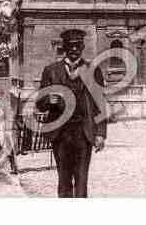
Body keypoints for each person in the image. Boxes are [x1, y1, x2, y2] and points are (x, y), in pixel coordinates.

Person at [37, 29, 107, 198]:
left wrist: (100, 133)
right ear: (65, 47)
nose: (74, 49)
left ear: (82, 47)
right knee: (64, 180)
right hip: (61, 134)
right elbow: (39, 102)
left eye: (77, 46)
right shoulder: (51, 70)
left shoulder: (92, 70)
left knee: (82, 180)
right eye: (71, 46)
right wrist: (48, 100)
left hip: (84, 132)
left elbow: (100, 104)